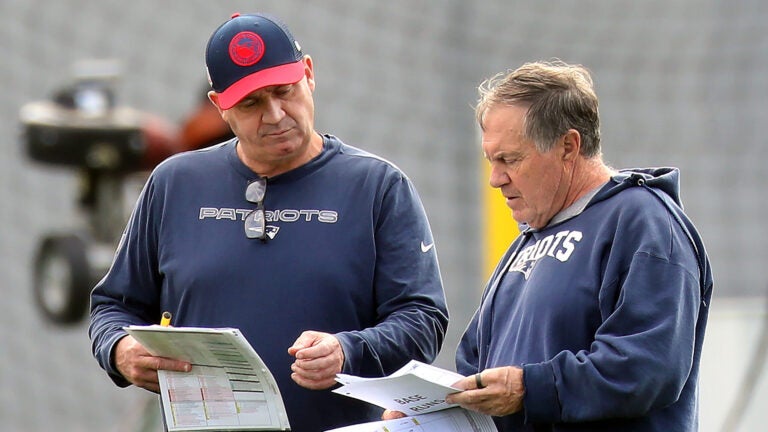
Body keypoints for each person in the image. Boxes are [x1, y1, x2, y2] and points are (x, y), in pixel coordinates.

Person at [89, 12, 449, 432]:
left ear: (309, 74)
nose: (276, 114)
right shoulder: (174, 184)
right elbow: (113, 306)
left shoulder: (377, 187)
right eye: (251, 103)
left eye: (285, 91)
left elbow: (422, 319)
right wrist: (119, 349)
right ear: (219, 106)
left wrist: (347, 351)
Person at [388, 60, 714, 430]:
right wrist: (430, 413)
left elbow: (648, 367)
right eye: (490, 160)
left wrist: (528, 389)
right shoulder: (526, 241)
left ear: (568, 146)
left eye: (509, 159)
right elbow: (476, 370)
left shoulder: (644, 223)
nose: (495, 179)